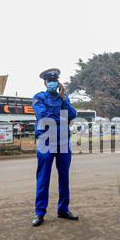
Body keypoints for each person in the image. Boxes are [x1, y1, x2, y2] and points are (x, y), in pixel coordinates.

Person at [31, 68, 78, 227]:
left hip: (63, 141)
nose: (52, 82)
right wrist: (61, 118)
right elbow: (44, 117)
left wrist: (64, 99)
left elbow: (73, 115)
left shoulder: (64, 98)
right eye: (49, 80)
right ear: (45, 82)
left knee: (64, 177)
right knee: (43, 178)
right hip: (46, 141)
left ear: (58, 82)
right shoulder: (39, 98)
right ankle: (39, 213)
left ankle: (63, 209)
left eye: (54, 80)